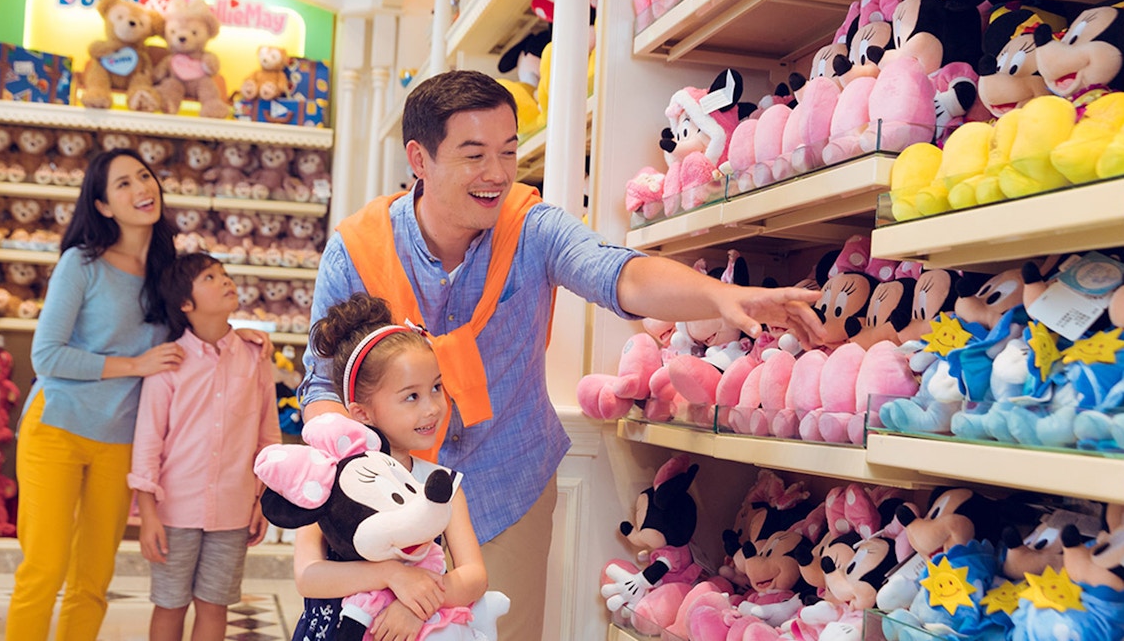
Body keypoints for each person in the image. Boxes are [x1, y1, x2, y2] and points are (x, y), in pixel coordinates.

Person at [300, 69, 825, 641]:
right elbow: (323, 384)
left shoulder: (531, 228)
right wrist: (352, 478)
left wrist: (720, 297)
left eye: (508, 151)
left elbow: (617, 273)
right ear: (419, 159)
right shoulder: (358, 248)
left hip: (507, 482)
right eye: (474, 155)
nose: (497, 173)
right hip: (386, 501)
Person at [6, 150, 270, 641]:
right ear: (103, 205)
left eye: (144, 176)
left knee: (93, 578)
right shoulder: (80, 264)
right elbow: (46, 356)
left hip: (121, 441)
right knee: (44, 568)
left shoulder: (168, 271)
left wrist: (242, 335)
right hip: (57, 427)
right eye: (123, 184)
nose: (141, 188)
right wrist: (134, 365)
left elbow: (198, 327)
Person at [292, 293, 488, 641]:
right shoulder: (330, 479)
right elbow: (308, 575)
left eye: (436, 388)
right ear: (362, 412)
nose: (432, 407)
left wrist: (416, 605)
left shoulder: (439, 485)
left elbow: (474, 576)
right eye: (411, 396)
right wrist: (391, 576)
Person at [128, 252, 280, 641]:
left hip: (233, 510)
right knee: (170, 604)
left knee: (215, 606)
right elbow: (148, 443)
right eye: (210, 277)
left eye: (224, 273)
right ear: (185, 303)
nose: (225, 280)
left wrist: (262, 499)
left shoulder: (256, 356)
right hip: (174, 511)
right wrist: (148, 515)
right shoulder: (168, 363)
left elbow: (268, 436)